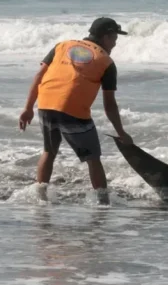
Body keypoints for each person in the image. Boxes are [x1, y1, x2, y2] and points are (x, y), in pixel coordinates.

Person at [19, 17, 133, 205]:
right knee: (93, 158)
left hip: (46, 104)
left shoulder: (62, 45)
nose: (115, 43)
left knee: (49, 151)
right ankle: (103, 203)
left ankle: (40, 198)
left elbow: (39, 75)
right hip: (72, 110)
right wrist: (121, 132)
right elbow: (109, 104)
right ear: (106, 37)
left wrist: (28, 108)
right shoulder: (106, 61)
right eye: (114, 39)